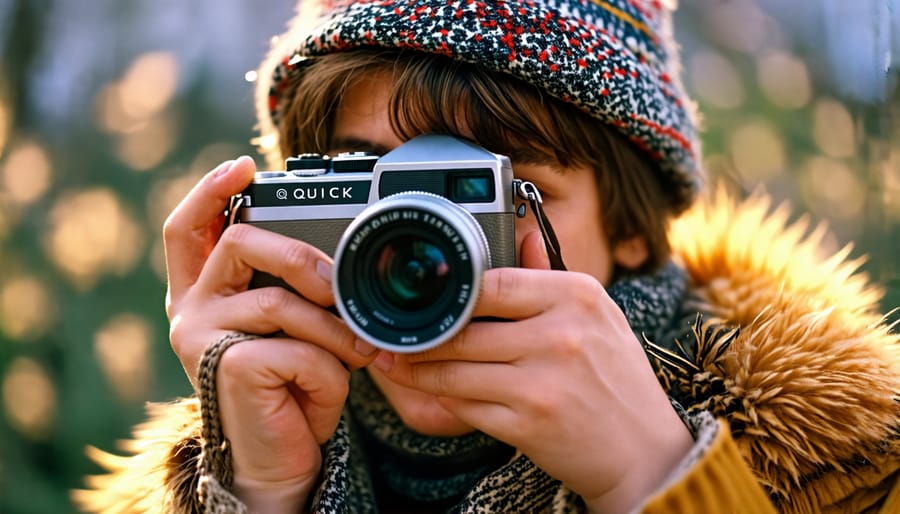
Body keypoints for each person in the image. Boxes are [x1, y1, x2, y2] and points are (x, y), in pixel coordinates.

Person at [76, 0, 900, 512]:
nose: (424, 249)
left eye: (490, 195)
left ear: (634, 227)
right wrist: (251, 494)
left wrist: (658, 481)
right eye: (375, 186)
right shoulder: (230, 470)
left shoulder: (858, 469)